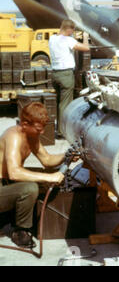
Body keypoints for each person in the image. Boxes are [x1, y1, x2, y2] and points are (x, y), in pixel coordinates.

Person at [0, 102, 70, 248]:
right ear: (25, 124)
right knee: (30, 188)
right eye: (39, 128)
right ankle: (19, 231)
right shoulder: (14, 136)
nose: (43, 132)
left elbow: (47, 160)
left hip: (7, 184)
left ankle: (15, 217)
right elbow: (14, 172)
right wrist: (49, 177)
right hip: (3, 184)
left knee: (43, 179)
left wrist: (66, 156)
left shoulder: (31, 135)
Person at [49, 19, 90, 137]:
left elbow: (66, 43)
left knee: (60, 103)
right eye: (72, 31)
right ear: (68, 29)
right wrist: (85, 37)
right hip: (66, 75)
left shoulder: (52, 39)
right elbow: (86, 48)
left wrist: (73, 38)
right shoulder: (68, 40)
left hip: (55, 74)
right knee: (66, 104)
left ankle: (59, 128)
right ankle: (63, 131)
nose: (72, 33)